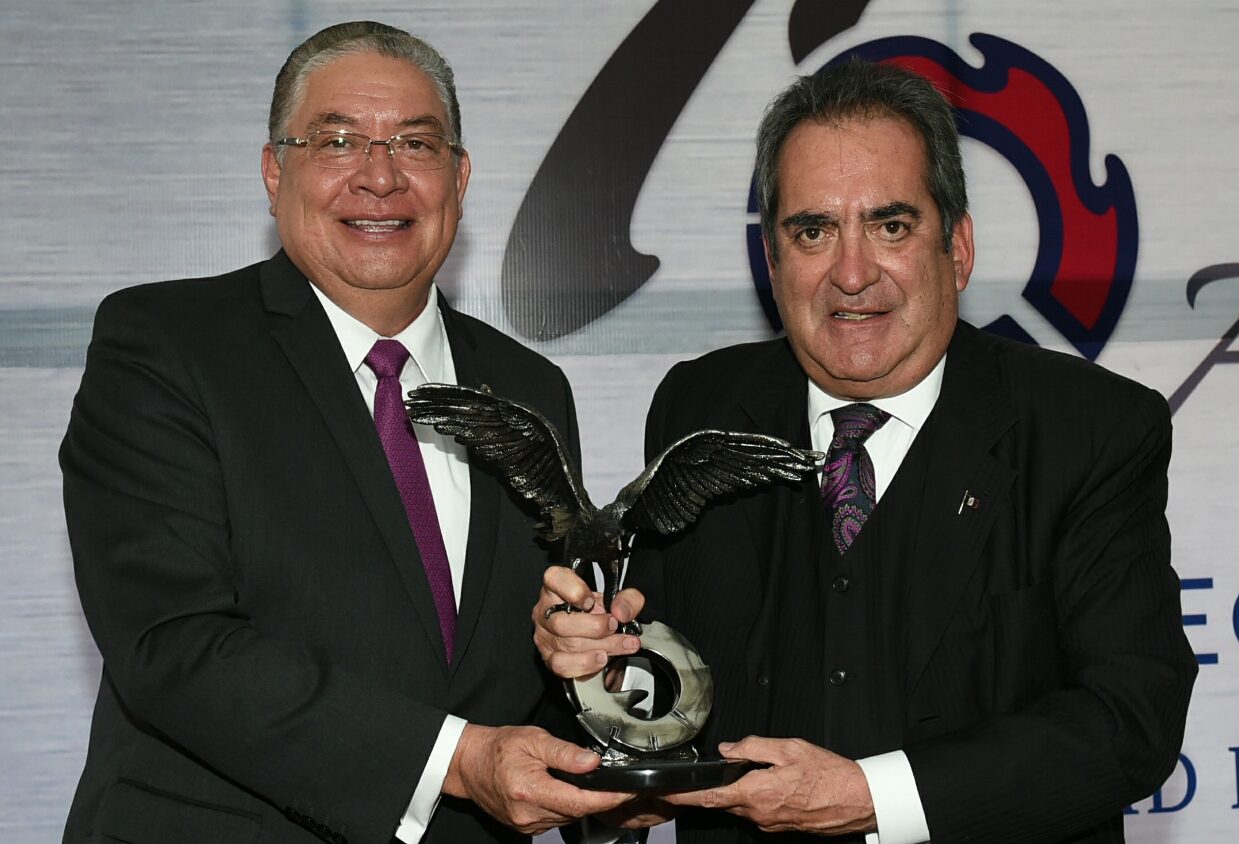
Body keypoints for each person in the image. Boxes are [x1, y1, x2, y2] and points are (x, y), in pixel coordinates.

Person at [535, 60, 1197, 843]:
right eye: (812, 232)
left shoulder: (1087, 428)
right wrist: (601, 671)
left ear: (956, 247)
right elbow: (661, 687)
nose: (851, 275)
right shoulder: (699, 407)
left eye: (890, 227)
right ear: (772, 262)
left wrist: (874, 796)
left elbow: (1130, 717)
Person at [60, 21, 630, 844]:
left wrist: (588, 671)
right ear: (274, 171)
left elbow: (519, 689)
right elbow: (170, 643)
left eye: (416, 144)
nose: (380, 176)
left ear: (459, 177)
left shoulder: (529, 389)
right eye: (336, 141)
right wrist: (453, 760)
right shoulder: (166, 345)